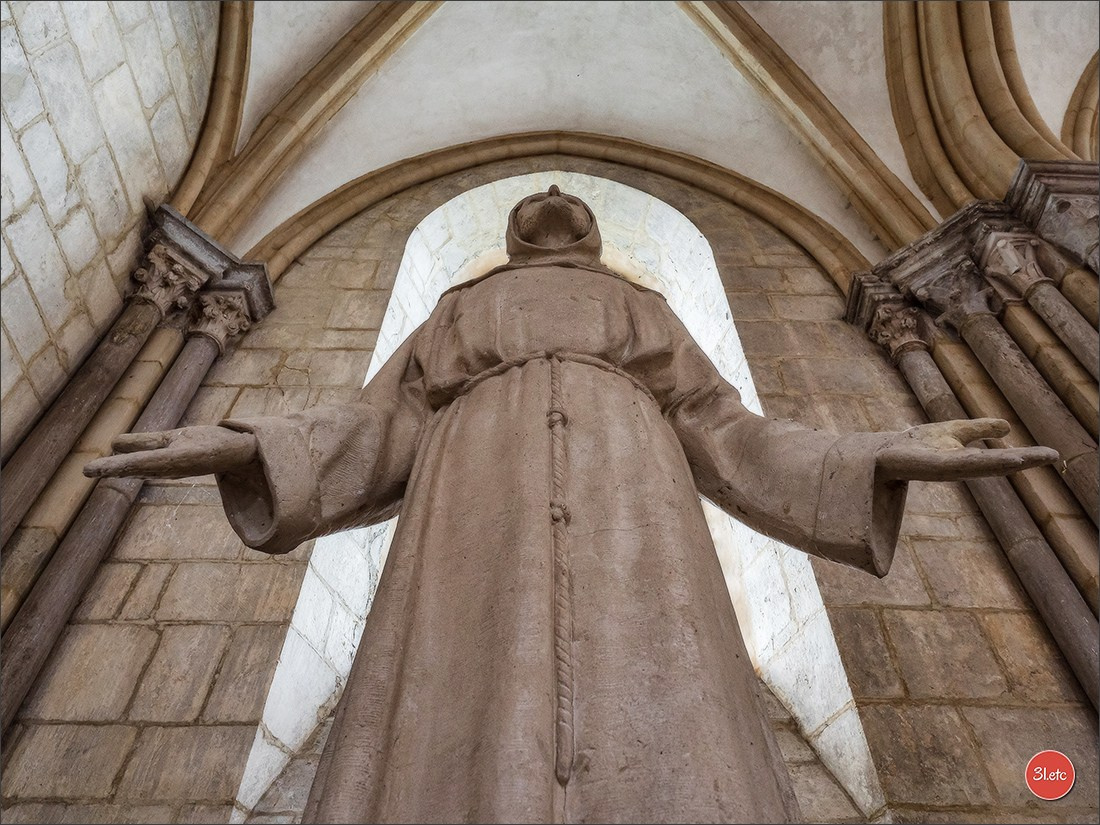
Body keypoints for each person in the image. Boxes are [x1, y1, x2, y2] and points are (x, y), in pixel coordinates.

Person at [87, 187, 1055, 824]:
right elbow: (371, 428)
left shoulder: (646, 313)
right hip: (472, 523)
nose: (552, 201)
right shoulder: (455, 314)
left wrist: (873, 451)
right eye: (533, 201)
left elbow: (732, 434)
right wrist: (250, 444)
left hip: (639, 524)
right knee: (451, 716)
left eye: (571, 201)